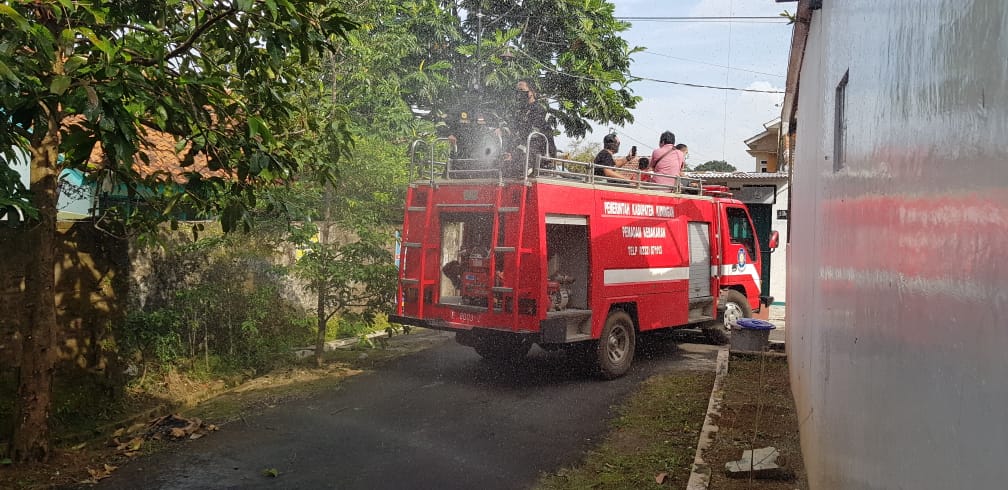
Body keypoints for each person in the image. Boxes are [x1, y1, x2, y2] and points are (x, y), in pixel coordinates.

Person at [507, 80, 556, 173]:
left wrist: (516, 151)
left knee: (520, 162)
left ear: (531, 92)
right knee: (504, 162)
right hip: (526, 148)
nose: (519, 94)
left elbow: (534, 135)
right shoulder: (520, 111)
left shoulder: (539, 109)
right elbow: (514, 131)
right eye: (517, 91)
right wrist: (509, 150)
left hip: (541, 150)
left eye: (522, 90)